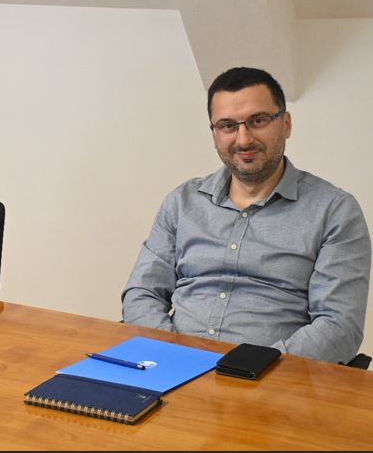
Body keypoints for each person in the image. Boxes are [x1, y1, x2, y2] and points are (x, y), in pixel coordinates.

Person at [122, 67, 370, 363]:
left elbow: (338, 328)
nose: (243, 139)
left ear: (286, 124)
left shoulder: (335, 211)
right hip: (170, 366)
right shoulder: (181, 202)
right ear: (214, 134)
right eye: (227, 125)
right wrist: (172, 354)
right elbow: (141, 293)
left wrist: (250, 367)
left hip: (271, 378)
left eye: (258, 121)